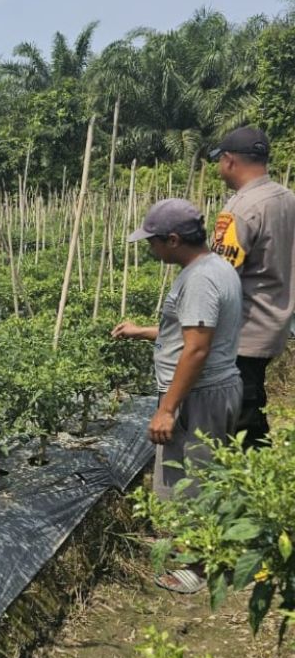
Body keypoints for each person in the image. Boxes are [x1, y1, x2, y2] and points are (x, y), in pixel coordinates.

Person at [112, 198, 243, 593]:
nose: (149, 248)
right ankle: (207, 552)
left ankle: (193, 570)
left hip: (197, 397)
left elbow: (197, 349)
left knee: (190, 484)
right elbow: (190, 333)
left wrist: (167, 409)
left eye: (152, 241)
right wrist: (142, 332)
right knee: (205, 477)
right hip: (214, 389)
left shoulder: (200, 279)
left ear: (172, 240)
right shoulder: (215, 266)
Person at [206, 126, 295, 449]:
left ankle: (253, 487)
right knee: (252, 395)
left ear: (229, 161)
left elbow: (221, 276)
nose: (219, 169)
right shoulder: (287, 198)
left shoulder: (241, 209)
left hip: (244, 330)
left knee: (242, 418)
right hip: (275, 321)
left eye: (220, 162)